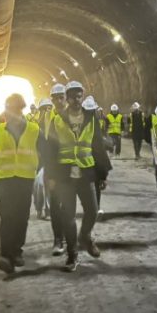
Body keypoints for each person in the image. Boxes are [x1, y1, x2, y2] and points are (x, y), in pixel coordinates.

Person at [46, 81, 107, 271]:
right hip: (65, 174)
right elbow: (50, 150)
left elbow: (97, 146)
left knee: (92, 210)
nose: (77, 100)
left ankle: (85, 236)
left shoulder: (91, 118)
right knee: (68, 215)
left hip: (86, 172)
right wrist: (50, 176)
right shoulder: (57, 120)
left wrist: (103, 173)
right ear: (68, 98)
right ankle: (72, 255)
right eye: (73, 96)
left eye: (80, 96)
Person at [0, 93, 44, 274]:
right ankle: (6, 255)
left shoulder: (34, 129)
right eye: (9, 109)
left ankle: (17, 252)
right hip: (4, 179)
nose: (12, 113)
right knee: (6, 217)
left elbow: (44, 151)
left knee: (21, 217)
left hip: (25, 178)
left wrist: (38, 169)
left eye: (15, 109)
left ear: (21, 109)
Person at [43, 84, 68, 256]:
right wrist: (49, 173)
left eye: (62, 97)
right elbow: (46, 147)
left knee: (69, 206)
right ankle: (58, 238)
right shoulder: (46, 118)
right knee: (56, 206)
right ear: (52, 100)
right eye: (56, 98)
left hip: (72, 167)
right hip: (55, 169)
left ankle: (70, 237)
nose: (59, 101)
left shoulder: (75, 115)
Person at [87, 97, 113, 215]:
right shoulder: (94, 123)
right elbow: (99, 149)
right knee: (96, 186)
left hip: (80, 162)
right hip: (93, 162)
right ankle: (95, 209)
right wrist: (104, 173)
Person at [32, 98, 55, 220]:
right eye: (44, 108)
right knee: (37, 187)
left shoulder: (55, 124)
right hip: (37, 161)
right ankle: (39, 208)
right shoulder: (34, 126)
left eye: (49, 108)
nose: (47, 111)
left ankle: (48, 211)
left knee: (47, 186)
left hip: (50, 161)